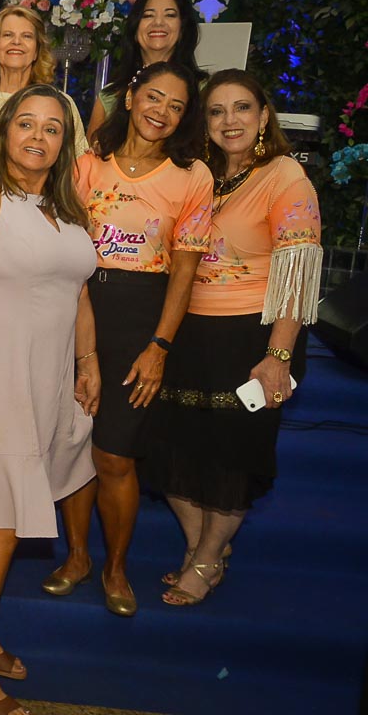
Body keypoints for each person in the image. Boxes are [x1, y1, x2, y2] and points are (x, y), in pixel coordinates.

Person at [0, 84, 98, 715]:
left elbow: (78, 291)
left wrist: (88, 361)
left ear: (64, 143)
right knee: (0, 521)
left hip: (45, 377)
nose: (37, 136)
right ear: (3, 130)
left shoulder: (64, 206)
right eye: (25, 123)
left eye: (52, 128)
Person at [142, 69, 321, 605]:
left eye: (242, 108)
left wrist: (278, 357)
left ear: (264, 116)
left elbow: (296, 276)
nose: (230, 121)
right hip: (185, 333)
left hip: (252, 338)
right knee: (171, 449)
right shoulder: (196, 174)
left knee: (232, 457)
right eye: (216, 111)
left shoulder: (285, 176)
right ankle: (205, 547)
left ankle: (204, 558)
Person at [44, 61, 212, 616]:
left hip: (142, 319)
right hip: (76, 308)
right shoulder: (88, 164)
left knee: (114, 455)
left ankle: (115, 568)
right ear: (132, 96)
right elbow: (61, 245)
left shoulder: (193, 177)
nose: (162, 112)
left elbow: (184, 272)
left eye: (177, 106)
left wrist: (159, 347)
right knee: (72, 444)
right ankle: (76, 557)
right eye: (154, 97)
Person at [86, 0, 206, 139]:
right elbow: (92, 150)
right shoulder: (111, 95)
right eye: (148, 15)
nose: (158, 22)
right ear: (135, 30)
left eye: (170, 15)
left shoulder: (202, 90)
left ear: (182, 29)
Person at [0, 5, 89, 158]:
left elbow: (79, 165)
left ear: (37, 51)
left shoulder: (61, 104)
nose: (16, 41)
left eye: (27, 36)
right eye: (8, 35)